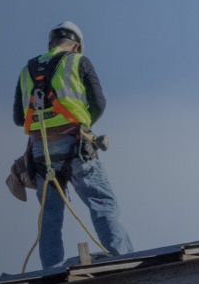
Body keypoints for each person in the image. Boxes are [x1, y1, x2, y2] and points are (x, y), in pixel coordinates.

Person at [13, 21, 134, 268]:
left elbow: (18, 117)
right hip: (76, 143)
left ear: (50, 44)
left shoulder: (27, 69)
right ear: (77, 45)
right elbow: (98, 103)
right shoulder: (79, 61)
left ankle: (51, 270)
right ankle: (122, 258)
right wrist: (85, 125)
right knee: (102, 202)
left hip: (41, 150)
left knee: (49, 215)